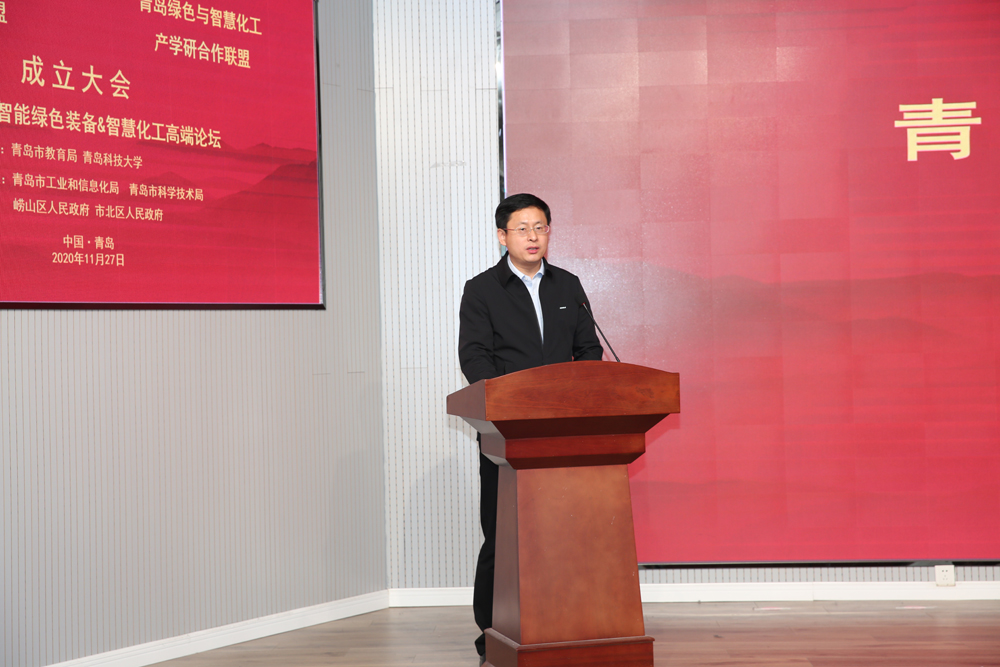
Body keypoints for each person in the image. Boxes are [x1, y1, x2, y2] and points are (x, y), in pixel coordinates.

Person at [457, 193, 604, 662]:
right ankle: (491, 636)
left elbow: (589, 351)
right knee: (502, 538)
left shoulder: (568, 286)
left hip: (563, 435)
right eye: (522, 229)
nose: (533, 236)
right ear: (502, 236)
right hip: (505, 435)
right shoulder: (481, 290)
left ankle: (561, 625)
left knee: (563, 533)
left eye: (540, 227)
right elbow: (474, 357)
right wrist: (508, 404)